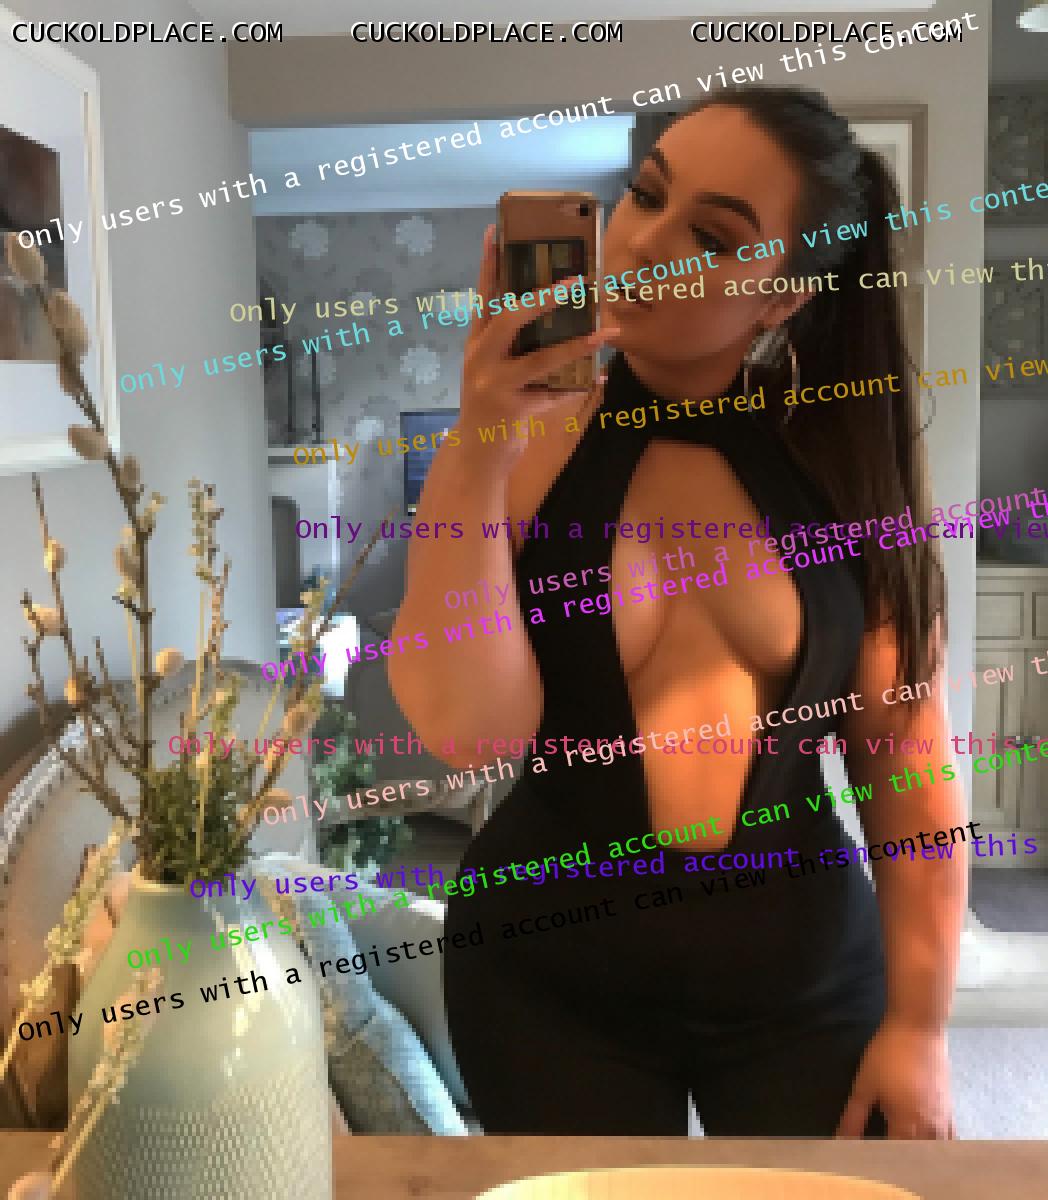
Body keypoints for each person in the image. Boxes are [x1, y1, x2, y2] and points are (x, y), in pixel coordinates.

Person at [389, 86, 967, 1138]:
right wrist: (478, 440)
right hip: (547, 979)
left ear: (781, 300)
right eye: (646, 196)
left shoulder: (838, 465)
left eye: (712, 235)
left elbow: (906, 759)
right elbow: (470, 732)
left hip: (802, 979)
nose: (646, 244)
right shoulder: (520, 448)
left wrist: (920, 1025)